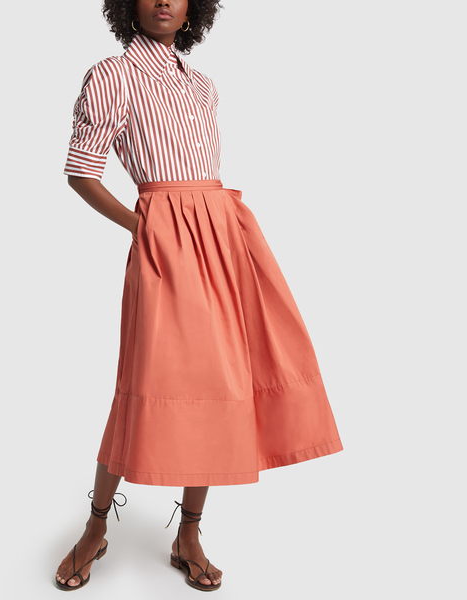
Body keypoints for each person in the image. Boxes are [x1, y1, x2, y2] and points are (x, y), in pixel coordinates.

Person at [56, 0, 343, 592]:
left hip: (224, 233)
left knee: (221, 383)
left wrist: (209, 227)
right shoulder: (111, 75)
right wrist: (142, 227)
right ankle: (95, 526)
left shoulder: (204, 84)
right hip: (166, 239)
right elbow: (81, 171)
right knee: (142, 381)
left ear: (193, 9)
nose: (164, 0)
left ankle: (188, 534)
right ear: (127, 5)